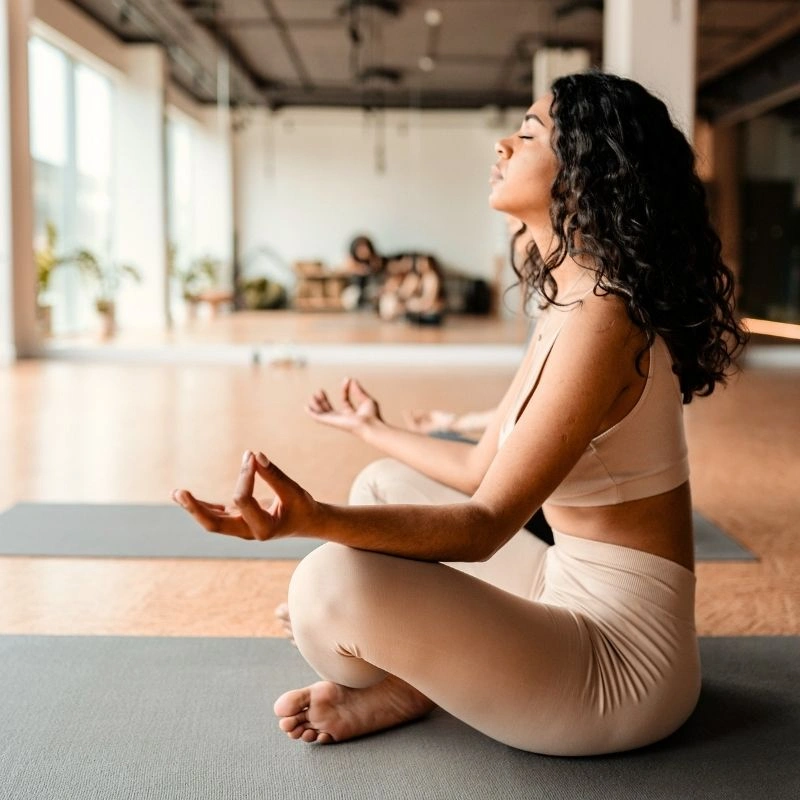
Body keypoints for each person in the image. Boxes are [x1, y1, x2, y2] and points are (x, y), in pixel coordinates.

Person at [172, 71, 746, 755]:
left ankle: (412, 673)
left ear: (588, 171)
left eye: (529, 133)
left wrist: (309, 521)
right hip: (561, 585)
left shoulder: (604, 318)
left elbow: (483, 528)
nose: (503, 145)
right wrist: (370, 427)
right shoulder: (572, 303)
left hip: (620, 670)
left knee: (327, 585)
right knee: (384, 481)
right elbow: (480, 467)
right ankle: (419, 676)